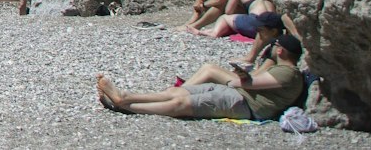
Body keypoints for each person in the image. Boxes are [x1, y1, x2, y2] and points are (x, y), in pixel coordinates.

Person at [96, 34, 306, 120]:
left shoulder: (289, 74)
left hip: (244, 104)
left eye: (275, 46)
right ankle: (124, 96)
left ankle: (124, 105)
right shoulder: (284, 70)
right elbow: (254, 82)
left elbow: (252, 84)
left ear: (280, 51)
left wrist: (238, 78)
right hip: (236, 94)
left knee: (180, 103)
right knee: (175, 92)